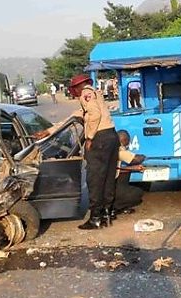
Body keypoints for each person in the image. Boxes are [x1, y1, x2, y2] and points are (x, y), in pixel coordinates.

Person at [35, 74, 119, 229]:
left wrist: (90, 138)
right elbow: (73, 117)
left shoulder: (86, 93)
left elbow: (94, 115)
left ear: (79, 86)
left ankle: (95, 218)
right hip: (111, 136)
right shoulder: (96, 94)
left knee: (94, 179)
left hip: (99, 139)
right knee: (107, 177)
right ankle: (107, 213)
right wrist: (49, 131)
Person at [114, 130, 146, 214]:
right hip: (110, 190)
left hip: (101, 188)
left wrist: (132, 168)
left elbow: (117, 169)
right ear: (124, 141)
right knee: (138, 193)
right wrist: (144, 156)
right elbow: (137, 159)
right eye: (127, 142)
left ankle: (115, 206)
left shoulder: (108, 149)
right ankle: (116, 207)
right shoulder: (120, 151)